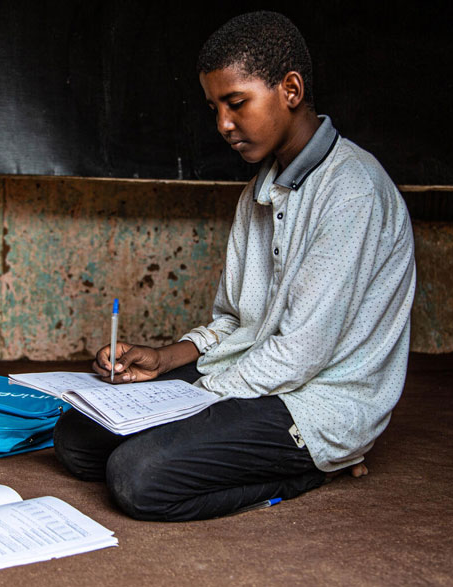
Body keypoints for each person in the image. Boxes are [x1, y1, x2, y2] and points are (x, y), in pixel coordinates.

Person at [52, 10, 416, 522]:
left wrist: (186, 401)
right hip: (250, 374)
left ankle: (316, 466)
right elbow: (233, 321)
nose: (223, 124)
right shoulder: (259, 192)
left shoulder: (352, 191)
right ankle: (201, 433)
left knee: (139, 478)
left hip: (316, 402)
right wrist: (167, 358)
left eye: (236, 103)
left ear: (290, 90)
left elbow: (300, 356)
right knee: (78, 439)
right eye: (214, 107)